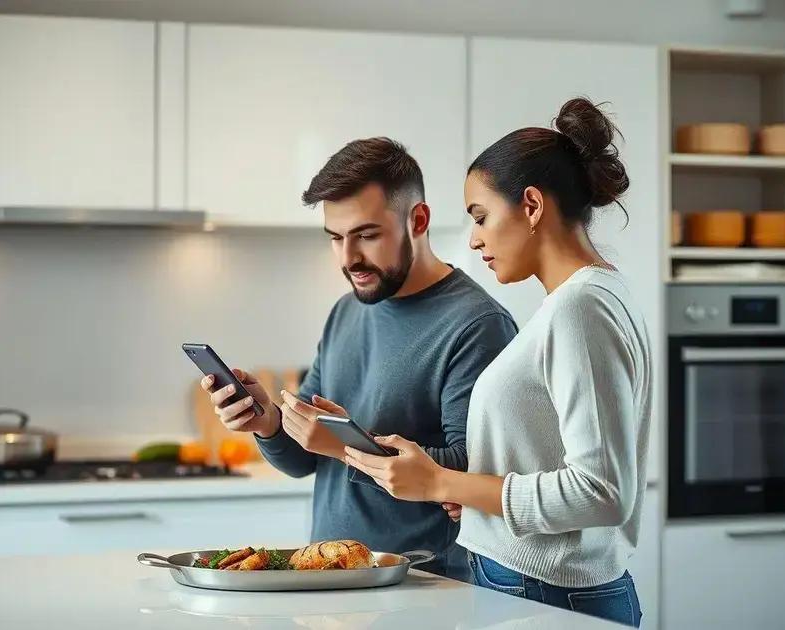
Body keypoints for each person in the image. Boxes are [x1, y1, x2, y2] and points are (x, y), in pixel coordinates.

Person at [342, 98, 653, 627]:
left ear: (531, 206)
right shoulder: (583, 300)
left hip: (548, 591)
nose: (474, 238)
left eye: (481, 216)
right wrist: (483, 502)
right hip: (534, 580)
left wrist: (441, 483)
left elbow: (602, 492)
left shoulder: (581, 307)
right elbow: (552, 461)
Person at [201, 137, 517, 578]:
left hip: (422, 585)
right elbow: (305, 458)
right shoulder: (347, 310)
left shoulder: (477, 324)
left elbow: (473, 474)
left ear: (418, 220)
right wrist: (269, 422)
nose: (349, 259)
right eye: (336, 238)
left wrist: (346, 445)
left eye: (366, 236)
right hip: (327, 581)